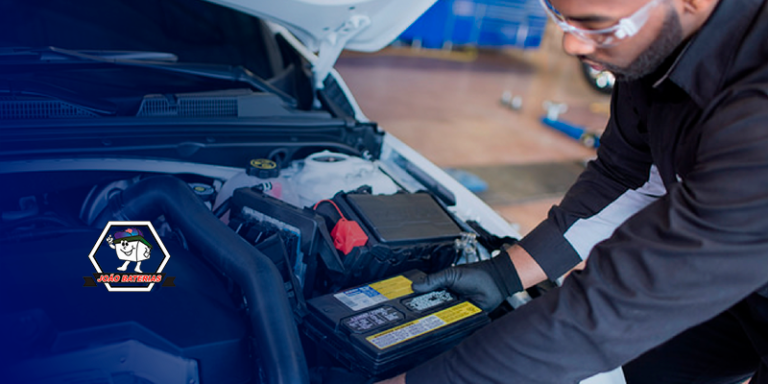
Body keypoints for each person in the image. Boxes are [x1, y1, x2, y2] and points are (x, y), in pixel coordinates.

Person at [377, 0, 768, 382]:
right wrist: (501, 275)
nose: (572, 44)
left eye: (596, 24)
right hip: (726, 282)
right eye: (560, 15)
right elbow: (625, 176)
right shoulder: (653, 50)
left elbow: (615, 306)